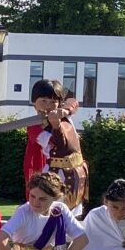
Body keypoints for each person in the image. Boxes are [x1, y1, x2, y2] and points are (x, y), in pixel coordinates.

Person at [24, 79, 88, 213]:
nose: (49, 105)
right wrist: (56, 126)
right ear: (34, 103)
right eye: (43, 101)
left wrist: (65, 111)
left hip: (77, 172)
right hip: (55, 174)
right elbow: (60, 145)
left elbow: (73, 101)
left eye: (53, 101)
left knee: (74, 215)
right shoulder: (34, 128)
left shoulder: (63, 115)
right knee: (53, 211)